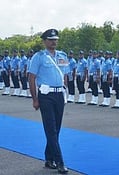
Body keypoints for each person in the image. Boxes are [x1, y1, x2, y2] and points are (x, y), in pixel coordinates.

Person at [28, 29, 69, 173]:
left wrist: (66, 92)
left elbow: (65, 75)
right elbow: (31, 78)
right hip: (46, 96)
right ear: (45, 41)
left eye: (55, 39)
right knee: (50, 129)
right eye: (51, 39)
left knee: (56, 129)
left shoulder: (63, 56)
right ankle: (60, 162)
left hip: (59, 95)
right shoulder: (38, 57)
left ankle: (49, 158)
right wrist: (35, 99)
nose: (54, 42)